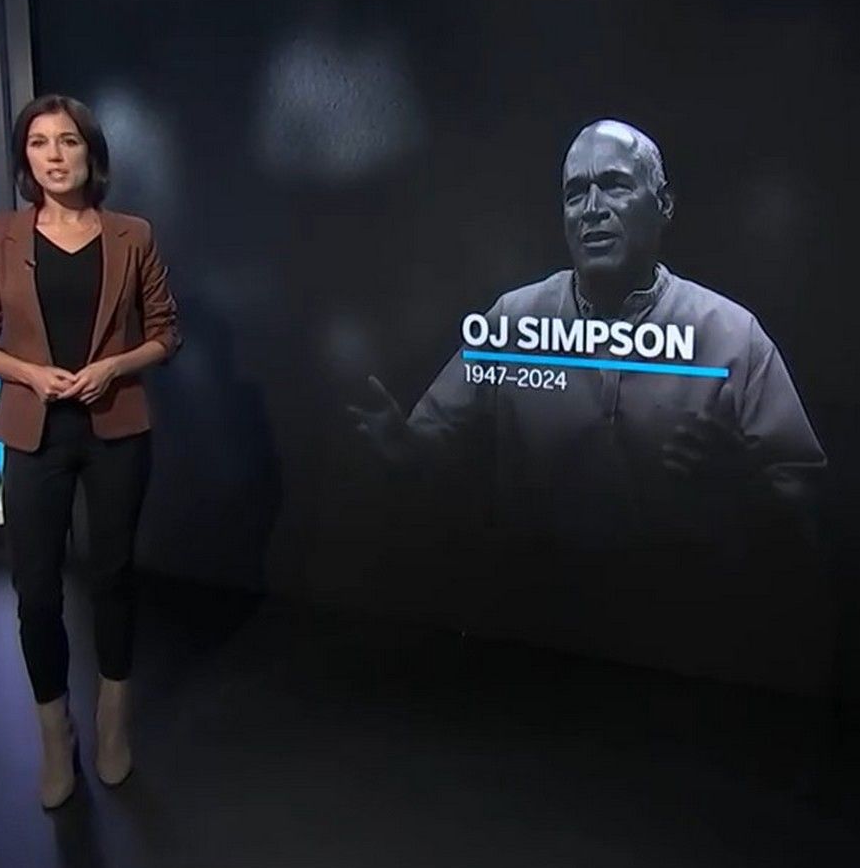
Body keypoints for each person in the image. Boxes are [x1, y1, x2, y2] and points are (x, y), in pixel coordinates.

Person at [350, 118, 825, 563]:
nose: (593, 208)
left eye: (615, 185)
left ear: (664, 204)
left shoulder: (733, 335)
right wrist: (403, 450)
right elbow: (431, 448)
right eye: (576, 193)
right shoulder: (513, 321)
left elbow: (806, 496)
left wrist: (743, 487)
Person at [0, 94, 182, 809]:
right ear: (25, 158)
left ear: (91, 153)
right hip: (35, 433)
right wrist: (27, 373)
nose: (54, 156)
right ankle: (57, 736)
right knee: (35, 592)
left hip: (116, 428)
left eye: (68, 141)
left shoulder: (132, 235)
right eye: (39, 143)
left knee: (112, 578)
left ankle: (113, 723)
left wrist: (114, 366)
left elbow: (166, 333)